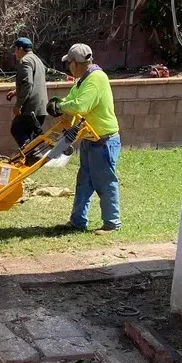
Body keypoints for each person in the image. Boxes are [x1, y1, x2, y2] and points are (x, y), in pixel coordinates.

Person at [47, 43, 121, 235]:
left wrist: (61, 107)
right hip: (89, 138)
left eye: (68, 63)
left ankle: (112, 223)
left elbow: (81, 106)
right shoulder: (82, 80)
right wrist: (58, 105)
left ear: (75, 63)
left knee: (105, 181)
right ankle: (78, 222)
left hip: (104, 140)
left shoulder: (96, 79)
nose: (68, 67)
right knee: (84, 182)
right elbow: (70, 101)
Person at [6, 37, 48, 164]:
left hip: (31, 108)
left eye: (15, 50)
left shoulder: (25, 61)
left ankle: (33, 154)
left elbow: (28, 83)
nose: (15, 53)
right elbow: (33, 82)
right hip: (41, 107)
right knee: (28, 135)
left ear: (19, 49)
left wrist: (18, 105)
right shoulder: (37, 60)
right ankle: (30, 158)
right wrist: (16, 92)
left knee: (16, 128)